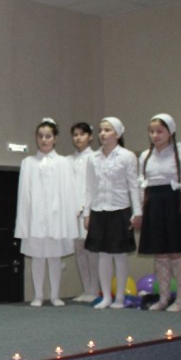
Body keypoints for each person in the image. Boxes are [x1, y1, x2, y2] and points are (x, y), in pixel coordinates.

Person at [14, 118, 79, 307]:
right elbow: (24, 193)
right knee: (37, 256)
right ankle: (38, 295)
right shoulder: (28, 162)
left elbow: (69, 190)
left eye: (48, 136)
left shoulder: (63, 162)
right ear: (36, 138)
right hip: (35, 216)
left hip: (55, 216)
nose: (44, 140)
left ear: (55, 138)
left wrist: (69, 214)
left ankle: (55, 295)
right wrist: (26, 217)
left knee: (54, 256)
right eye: (41, 136)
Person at [84, 117, 142, 309]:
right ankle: (106, 296)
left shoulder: (127, 156)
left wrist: (137, 212)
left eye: (107, 130)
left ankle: (120, 297)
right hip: (99, 209)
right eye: (101, 130)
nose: (102, 134)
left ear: (117, 134)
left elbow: (133, 185)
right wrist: (87, 213)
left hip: (120, 209)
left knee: (119, 255)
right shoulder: (92, 158)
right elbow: (90, 187)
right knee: (103, 254)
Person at [140, 113, 181, 312]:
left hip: (173, 203)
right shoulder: (145, 156)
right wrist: (140, 210)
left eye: (160, 131)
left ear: (170, 132)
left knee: (176, 251)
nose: (155, 135)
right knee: (160, 252)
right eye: (152, 131)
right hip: (153, 204)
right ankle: (163, 298)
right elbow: (141, 184)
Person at [68, 122, 100, 303]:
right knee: (79, 249)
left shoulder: (94, 158)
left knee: (91, 250)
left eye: (82, 134)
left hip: (88, 210)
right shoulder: (69, 160)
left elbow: (93, 187)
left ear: (90, 137)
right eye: (75, 134)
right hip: (73, 212)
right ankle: (86, 289)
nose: (78, 138)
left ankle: (94, 290)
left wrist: (88, 208)